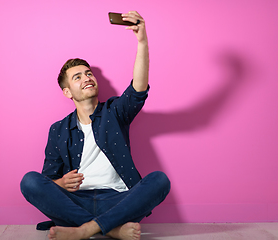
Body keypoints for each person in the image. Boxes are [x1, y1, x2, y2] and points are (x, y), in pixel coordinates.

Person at [20, 11, 170, 240]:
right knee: (29, 181)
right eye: (77, 77)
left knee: (159, 180)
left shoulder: (115, 112)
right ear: (67, 92)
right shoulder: (58, 130)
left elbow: (138, 89)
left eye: (88, 73)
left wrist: (142, 40)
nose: (87, 77)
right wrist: (61, 183)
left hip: (119, 201)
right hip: (76, 202)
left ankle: (86, 229)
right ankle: (111, 229)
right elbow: (46, 181)